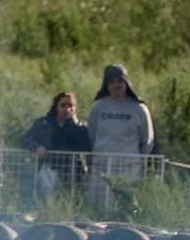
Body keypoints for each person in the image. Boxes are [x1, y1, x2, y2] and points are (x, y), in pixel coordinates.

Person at [86, 63, 155, 212]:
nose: (116, 85)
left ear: (126, 83)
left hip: (128, 170)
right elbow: (91, 135)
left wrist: (136, 161)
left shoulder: (139, 109)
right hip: (101, 169)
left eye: (119, 81)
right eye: (112, 82)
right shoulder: (97, 107)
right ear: (106, 85)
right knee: (98, 210)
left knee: (126, 210)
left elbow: (147, 141)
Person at [19, 90, 91, 202]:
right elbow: (24, 139)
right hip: (48, 167)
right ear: (56, 107)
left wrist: (74, 123)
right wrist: (37, 147)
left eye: (71, 105)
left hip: (72, 172)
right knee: (44, 200)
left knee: (71, 201)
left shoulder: (81, 127)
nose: (67, 109)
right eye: (63, 105)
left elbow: (87, 145)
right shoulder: (43, 123)